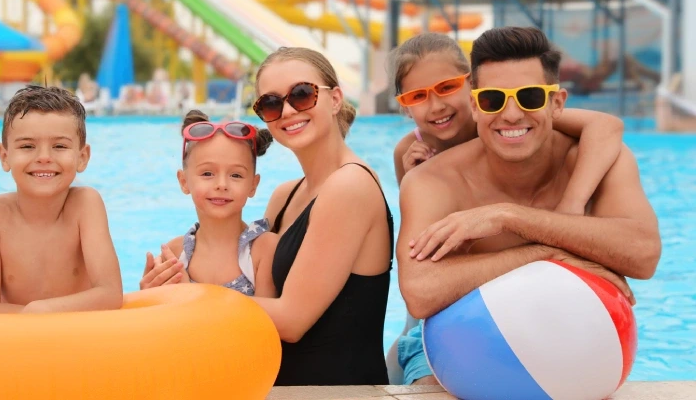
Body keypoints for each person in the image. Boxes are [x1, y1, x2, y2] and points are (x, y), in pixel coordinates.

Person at [388, 32, 627, 386]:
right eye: (418, 96)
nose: (436, 105)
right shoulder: (412, 155)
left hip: (516, 314)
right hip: (446, 318)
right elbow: (422, 249)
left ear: (471, 88)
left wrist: (570, 207)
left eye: (446, 87)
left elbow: (607, 126)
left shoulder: (512, 117)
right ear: (405, 106)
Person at [252, 47, 393, 386]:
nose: (287, 111)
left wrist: (198, 295)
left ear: (334, 99)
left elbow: (291, 320)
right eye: (271, 103)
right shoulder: (284, 196)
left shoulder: (349, 186)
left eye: (301, 95)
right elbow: (252, 291)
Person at [0, 85, 123, 313]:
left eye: (59, 146)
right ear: (5, 156)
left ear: (82, 157)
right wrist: (32, 316)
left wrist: (44, 311)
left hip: (79, 334)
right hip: (21, 337)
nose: (43, 158)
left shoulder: (85, 205)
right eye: (27, 146)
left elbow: (110, 293)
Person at [138, 110, 279, 297]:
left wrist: (189, 295)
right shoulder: (176, 254)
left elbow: (266, 323)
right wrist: (147, 298)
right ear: (184, 181)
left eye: (236, 175)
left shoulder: (263, 250)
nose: (221, 184)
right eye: (207, 174)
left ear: (253, 185)